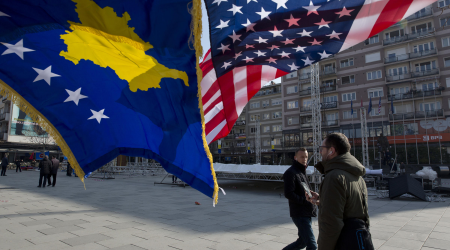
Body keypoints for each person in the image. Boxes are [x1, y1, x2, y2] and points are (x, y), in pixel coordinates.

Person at [306, 133, 373, 250]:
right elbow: (350, 208)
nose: (320, 152)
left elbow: (331, 223)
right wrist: (322, 200)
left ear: (331, 151)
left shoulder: (334, 177)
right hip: (357, 240)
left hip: (342, 242)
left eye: (322, 149)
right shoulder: (357, 176)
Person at [283, 148, 317, 250]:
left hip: (306, 211)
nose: (304, 159)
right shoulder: (291, 172)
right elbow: (289, 193)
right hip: (299, 213)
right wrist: (304, 200)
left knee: (302, 242)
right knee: (312, 246)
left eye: (306, 157)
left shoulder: (301, 171)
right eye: (302, 157)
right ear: (295, 157)